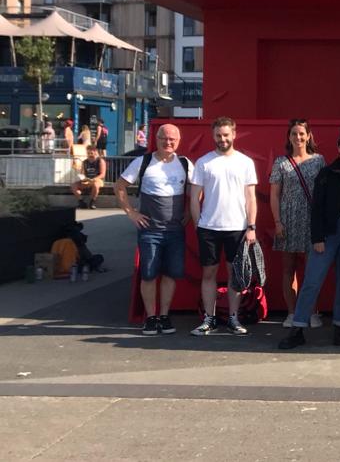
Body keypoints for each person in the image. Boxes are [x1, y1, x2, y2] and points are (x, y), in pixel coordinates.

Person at [279, 129, 340, 350]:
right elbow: (316, 209)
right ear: (338, 147)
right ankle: (297, 328)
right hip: (329, 233)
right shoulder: (326, 173)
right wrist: (317, 237)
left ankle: (339, 326)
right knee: (312, 281)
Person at [114, 124, 192, 336]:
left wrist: (189, 212)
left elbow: (196, 190)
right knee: (148, 275)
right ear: (156, 139)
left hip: (175, 230)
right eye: (164, 138)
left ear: (178, 141)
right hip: (150, 230)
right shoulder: (143, 162)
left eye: (172, 140)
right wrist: (131, 213)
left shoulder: (185, 163)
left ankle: (164, 316)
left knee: (170, 274)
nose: (168, 143)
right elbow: (119, 186)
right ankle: (150, 318)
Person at [190, 117, 259, 337]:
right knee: (208, 273)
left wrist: (251, 226)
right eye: (219, 135)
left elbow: (251, 197)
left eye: (226, 135)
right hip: (209, 227)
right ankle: (209, 319)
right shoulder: (204, 162)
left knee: (234, 275)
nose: (222, 139)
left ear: (234, 134)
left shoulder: (245, 162)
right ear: (213, 136)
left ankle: (233, 318)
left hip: (237, 227)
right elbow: (194, 197)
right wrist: (197, 224)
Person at [270, 119, 326, 328]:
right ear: (289, 136)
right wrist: (277, 222)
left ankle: (312, 312)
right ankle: (292, 313)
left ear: (309, 135)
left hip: (313, 221)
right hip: (288, 220)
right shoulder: (280, 162)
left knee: (313, 270)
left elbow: (325, 192)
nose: (298, 137)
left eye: (302, 133)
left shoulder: (319, 160)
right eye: (294, 133)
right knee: (288, 269)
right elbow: (275, 195)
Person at [72, 144, 106, 209]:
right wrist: (82, 178)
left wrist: (94, 179)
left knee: (96, 185)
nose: (90, 154)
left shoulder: (100, 161)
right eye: (88, 153)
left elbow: (102, 174)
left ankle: (92, 201)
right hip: (87, 180)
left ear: (95, 152)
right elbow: (82, 173)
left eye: (91, 153)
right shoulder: (85, 162)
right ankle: (81, 201)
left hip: (97, 180)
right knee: (73, 185)